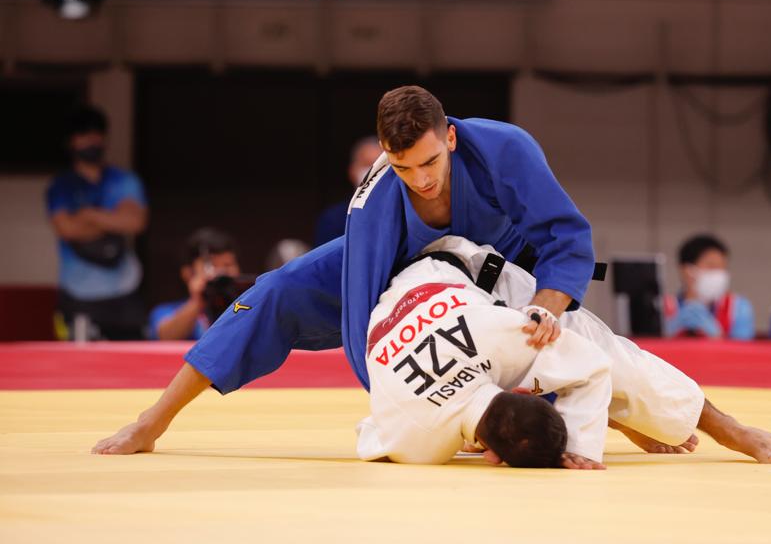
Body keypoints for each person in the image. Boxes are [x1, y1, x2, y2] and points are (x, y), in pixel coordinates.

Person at [93, 85, 595, 455]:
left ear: (451, 137)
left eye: (429, 162)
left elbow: (567, 236)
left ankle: (574, 421)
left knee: (573, 351)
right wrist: (415, 408)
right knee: (277, 289)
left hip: (502, 265)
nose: (420, 179)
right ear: (385, 154)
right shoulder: (374, 203)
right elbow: (363, 328)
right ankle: (153, 419)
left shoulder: (505, 149)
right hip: (404, 269)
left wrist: (544, 308)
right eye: (403, 167)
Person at [357, 236, 771, 468]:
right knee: (569, 364)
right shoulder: (414, 441)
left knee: (608, 354)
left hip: (460, 270)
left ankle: (729, 428)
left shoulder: (505, 335)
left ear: (491, 454)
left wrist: (583, 446)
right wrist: (582, 443)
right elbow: (372, 431)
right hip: (416, 306)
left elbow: (596, 363)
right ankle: (603, 413)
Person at [46, 105, 149, 341]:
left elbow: (134, 222)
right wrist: (112, 219)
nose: (92, 141)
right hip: (77, 294)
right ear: (71, 141)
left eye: (97, 134)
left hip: (124, 291)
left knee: (130, 358)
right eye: (84, 135)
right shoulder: (61, 186)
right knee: (79, 361)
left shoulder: (124, 180)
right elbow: (67, 229)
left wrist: (88, 215)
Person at [148, 228, 240, 341]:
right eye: (212, 266)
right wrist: (197, 301)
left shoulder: (248, 305)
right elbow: (165, 338)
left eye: (227, 265)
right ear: (188, 273)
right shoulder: (166, 311)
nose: (221, 273)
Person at [663, 234, 755, 340]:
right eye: (712, 266)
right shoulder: (662, 307)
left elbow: (743, 347)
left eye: (722, 267)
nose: (718, 273)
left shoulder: (736, 308)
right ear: (687, 270)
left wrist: (717, 336)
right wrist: (665, 335)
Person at [313, 136, 382, 247]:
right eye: (367, 164)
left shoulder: (404, 213)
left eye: (380, 166)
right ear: (352, 171)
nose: (373, 172)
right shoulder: (334, 219)